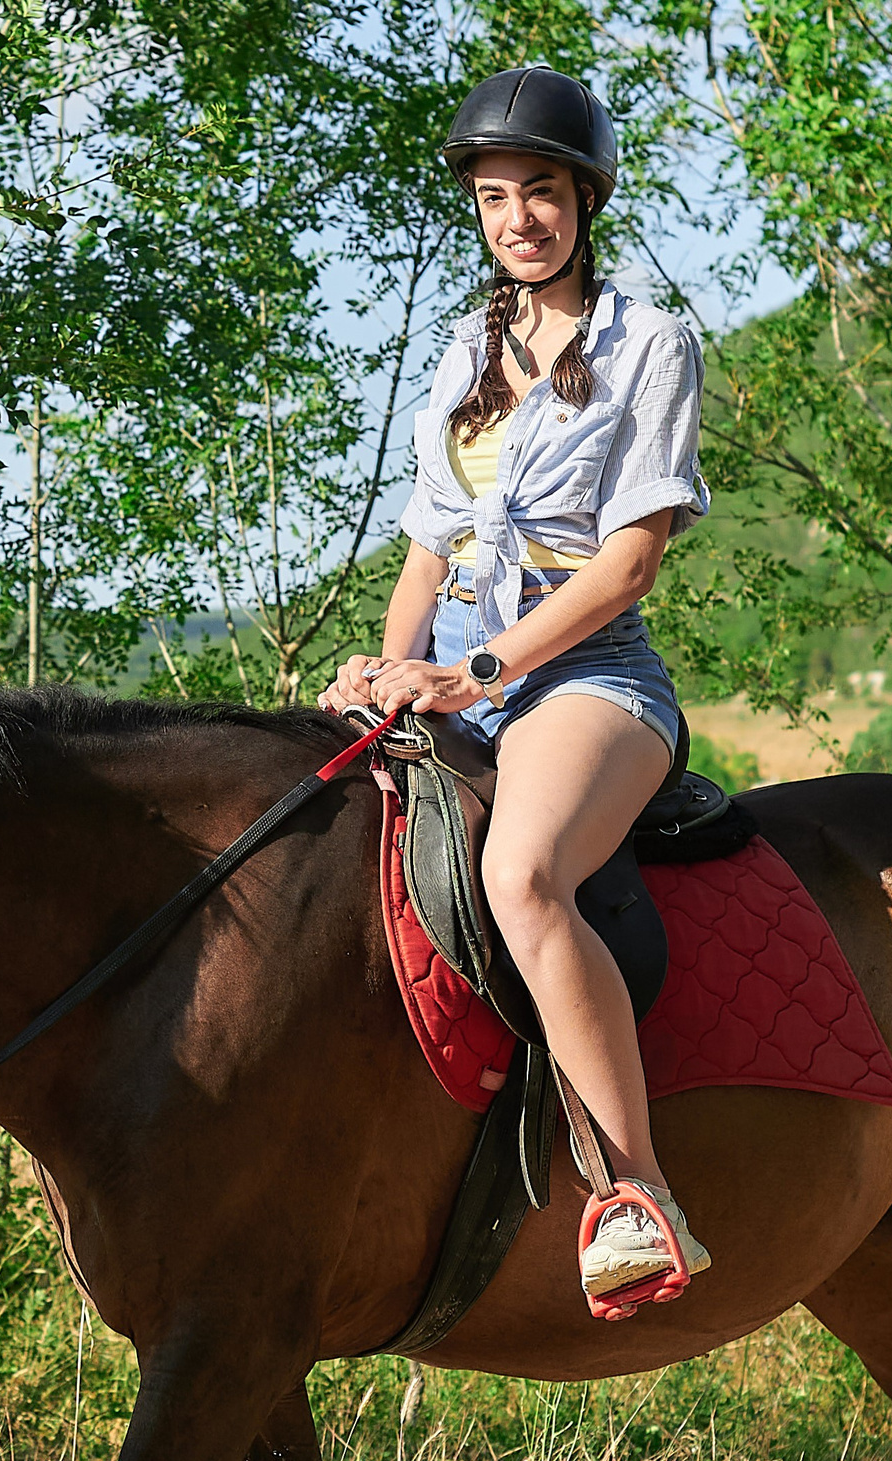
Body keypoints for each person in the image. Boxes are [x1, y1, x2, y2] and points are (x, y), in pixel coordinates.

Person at [321, 63, 712, 1313]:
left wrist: (481, 668)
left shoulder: (650, 343)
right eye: (494, 199)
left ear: (584, 198)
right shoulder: (465, 348)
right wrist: (390, 667)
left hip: (585, 683)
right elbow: (426, 552)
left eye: (539, 191)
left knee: (520, 876)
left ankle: (637, 1197)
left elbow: (629, 562)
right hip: (454, 675)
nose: (517, 219)